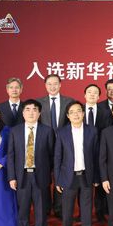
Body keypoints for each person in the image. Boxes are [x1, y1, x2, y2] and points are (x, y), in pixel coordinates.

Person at [7, 100, 55, 226]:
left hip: (40, 176)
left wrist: (49, 174)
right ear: (23, 113)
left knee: (40, 211)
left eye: (35, 109)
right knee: (23, 211)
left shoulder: (47, 131)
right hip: (21, 176)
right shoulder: (15, 131)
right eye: (27, 109)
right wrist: (11, 177)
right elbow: (10, 155)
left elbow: (52, 155)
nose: (31, 112)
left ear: (39, 113)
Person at [54, 101, 99, 226]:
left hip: (86, 176)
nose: (76, 114)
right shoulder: (62, 132)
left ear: (83, 113)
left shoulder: (92, 131)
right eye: (72, 112)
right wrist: (58, 179)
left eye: (79, 111)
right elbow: (57, 157)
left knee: (86, 212)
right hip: (68, 177)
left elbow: (96, 155)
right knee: (67, 213)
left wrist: (96, 177)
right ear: (68, 115)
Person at [37, 74, 74, 217]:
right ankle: (45, 208)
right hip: (44, 146)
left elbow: (72, 123)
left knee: (61, 177)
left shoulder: (69, 101)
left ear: (60, 85)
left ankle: (59, 209)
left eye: (55, 84)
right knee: (44, 177)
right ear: (45, 86)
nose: (52, 87)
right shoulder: (38, 103)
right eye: (49, 84)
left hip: (63, 146)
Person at [83, 83, 112, 222]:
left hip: (100, 152)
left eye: (95, 92)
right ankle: (83, 213)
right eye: (89, 92)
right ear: (85, 95)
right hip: (81, 154)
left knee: (100, 183)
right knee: (82, 184)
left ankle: (100, 212)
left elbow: (108, 133)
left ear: (99, 96)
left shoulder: (106, 113)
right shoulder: (77, 111)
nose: (92, 94)